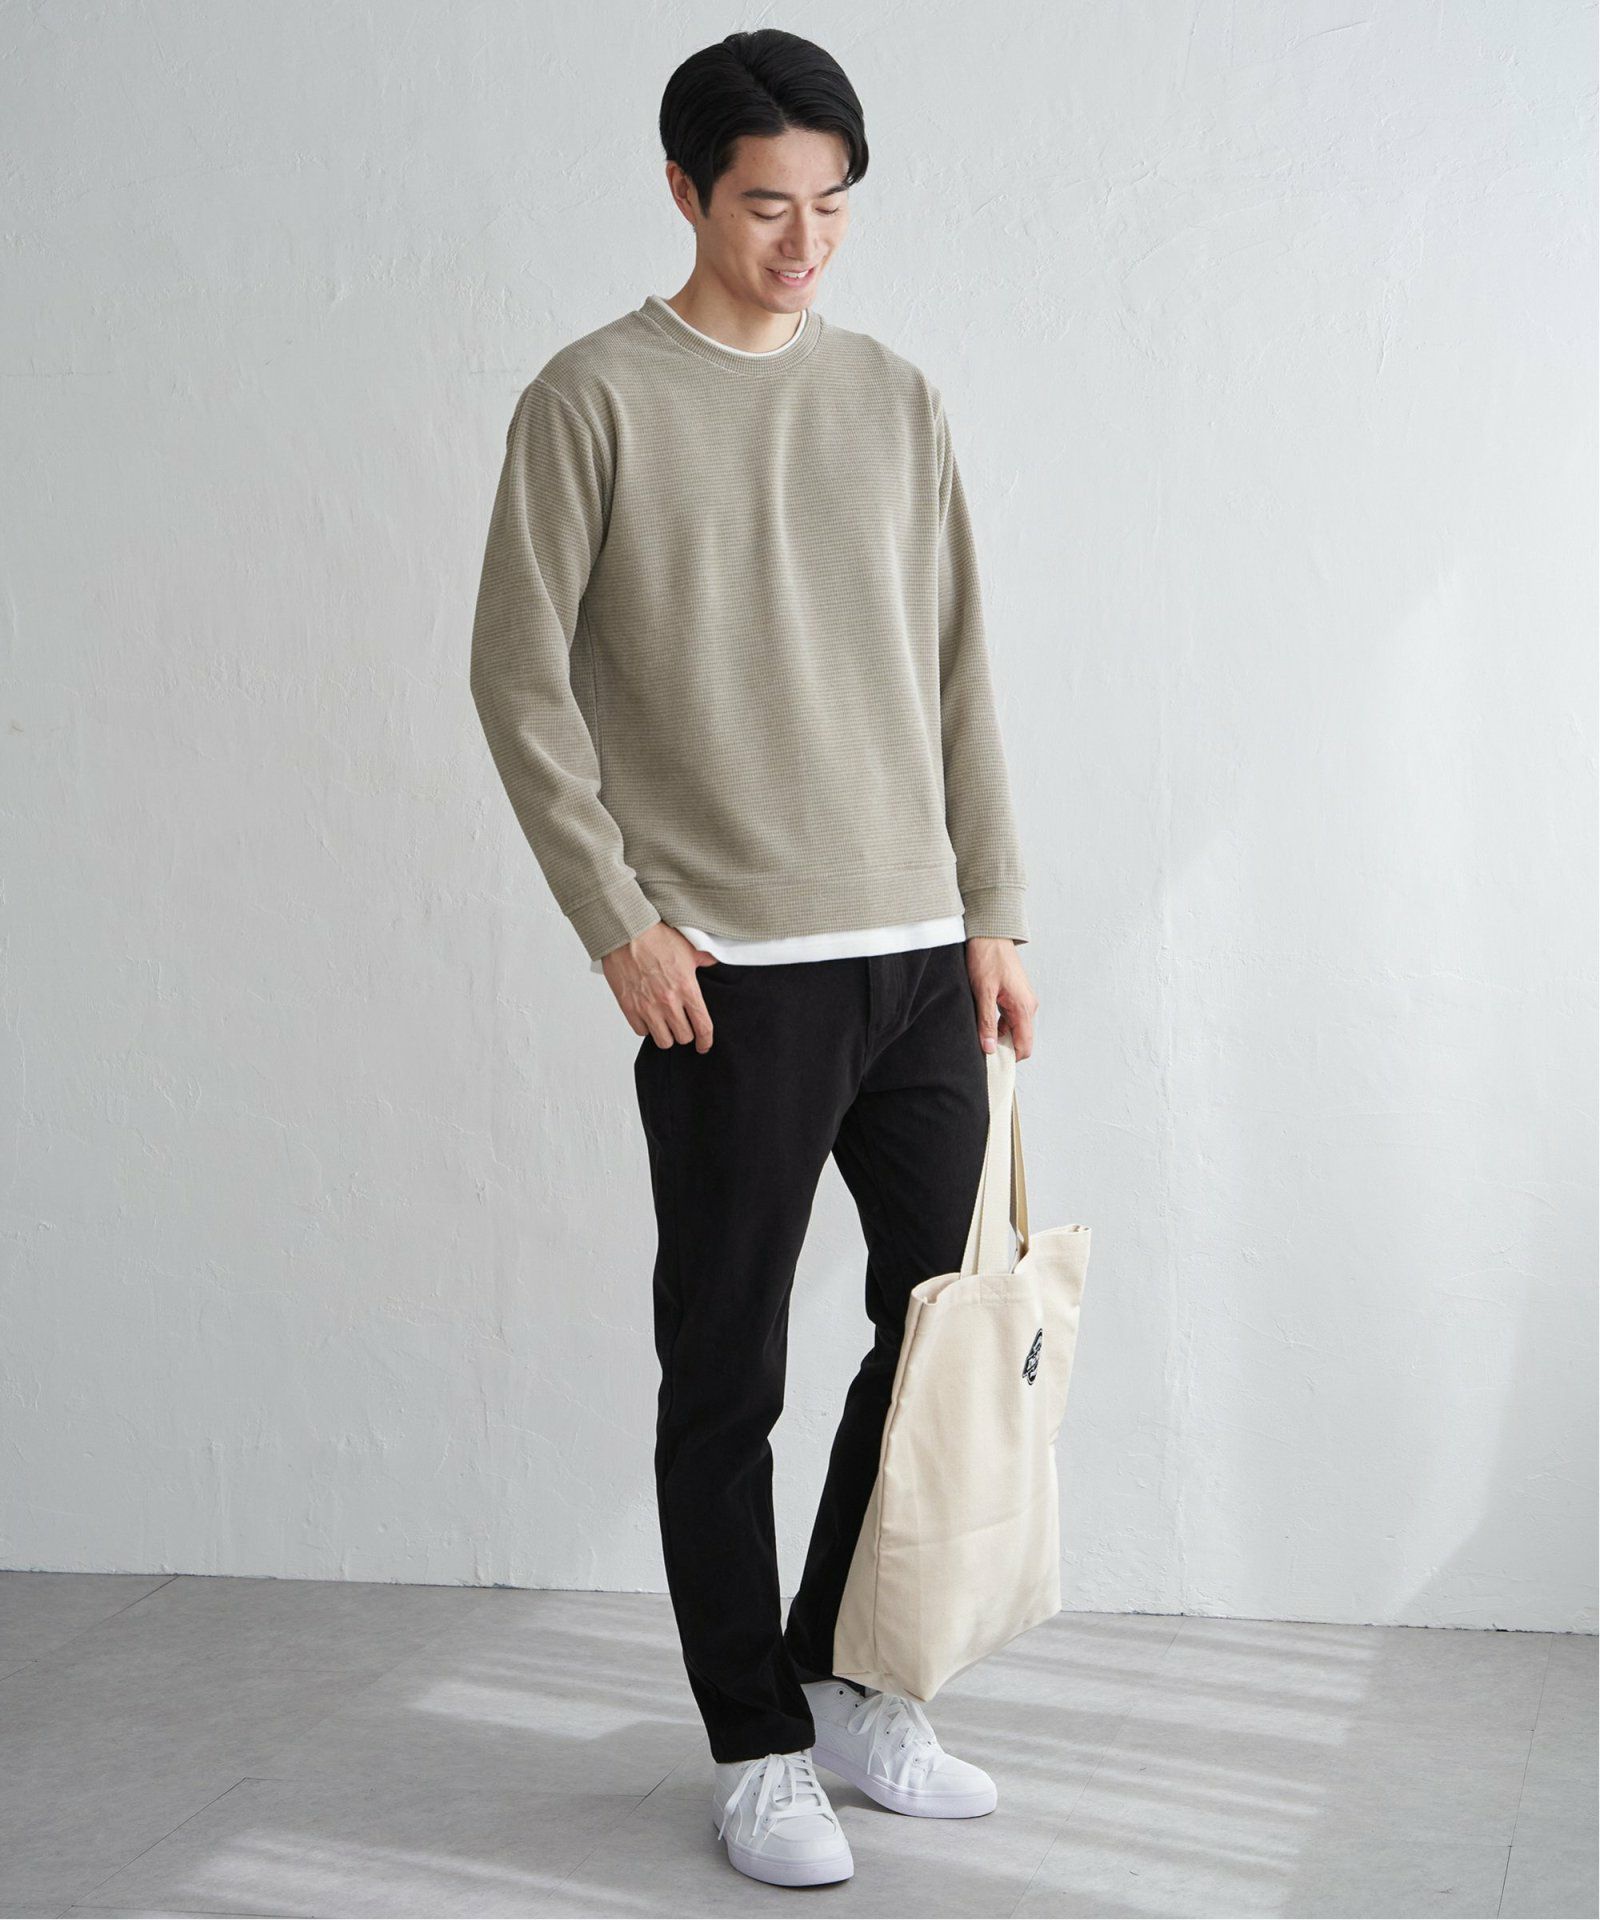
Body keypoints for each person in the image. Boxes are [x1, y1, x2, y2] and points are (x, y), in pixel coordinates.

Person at [469, 26, 1039, 1891]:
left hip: (916, 956)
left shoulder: (894, 397)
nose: (807, 243)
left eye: (834, 207)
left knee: (934, 1344)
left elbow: (959, 667)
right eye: (768, 206)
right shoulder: (591, 400)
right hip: (732, 971)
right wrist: (615, 918)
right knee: (727, 1371)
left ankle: (852, 1680)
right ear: (684, 192)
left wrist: (994, 912)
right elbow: (517, 680)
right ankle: (756, 1744)